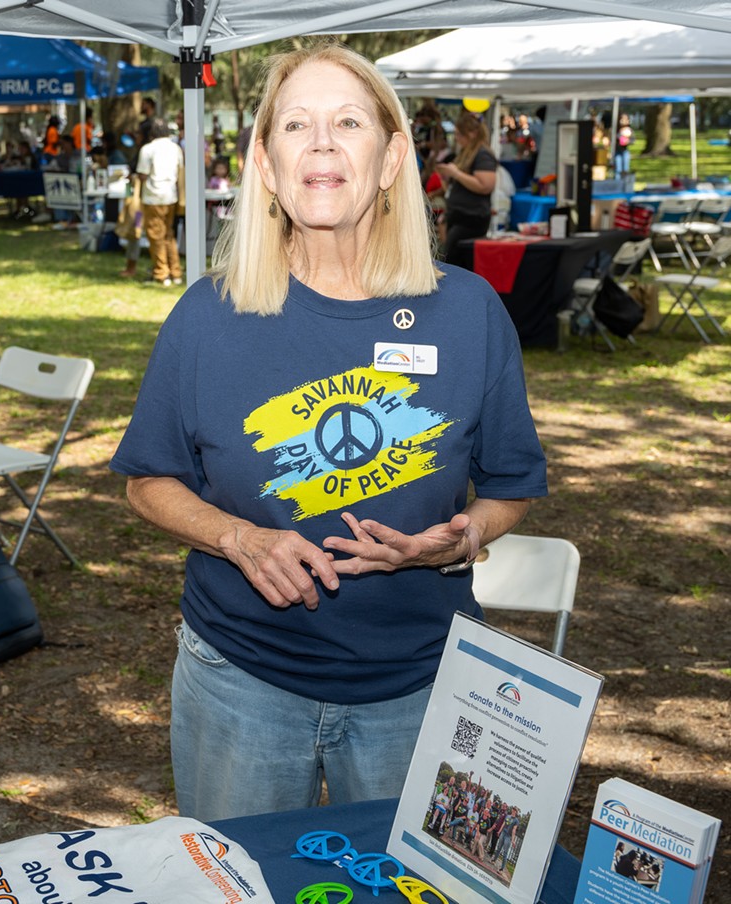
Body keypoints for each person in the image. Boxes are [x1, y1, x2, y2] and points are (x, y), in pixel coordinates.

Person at [110, 43, 547, 823]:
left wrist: (460, 539)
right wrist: (240, 540)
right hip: (240, 682)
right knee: (237, 880)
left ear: (390, 159)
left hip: (418, 685)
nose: (321, 143)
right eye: (296, 126)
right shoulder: (210, 315)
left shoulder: (469, 312)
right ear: (268, 166)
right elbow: (150, 480)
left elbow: (511, 485)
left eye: (347, 122)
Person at [436, 112, 497, 261]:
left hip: (471, 218)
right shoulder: (468, 152)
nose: (456, 138)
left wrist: (456, 173)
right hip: (460, 216)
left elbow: (486, 185)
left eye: (459, 134)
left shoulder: (483, 155)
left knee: (454, 261)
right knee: (451, 258)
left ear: (472, 134)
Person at [135, 117, 184, 287]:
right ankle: (176, 272)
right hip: (171, 196)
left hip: (152, 197)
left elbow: (142, 174)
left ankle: (161, 273)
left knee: (156, 236)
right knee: (168, 235)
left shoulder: (148, 149)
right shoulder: (175, 148)